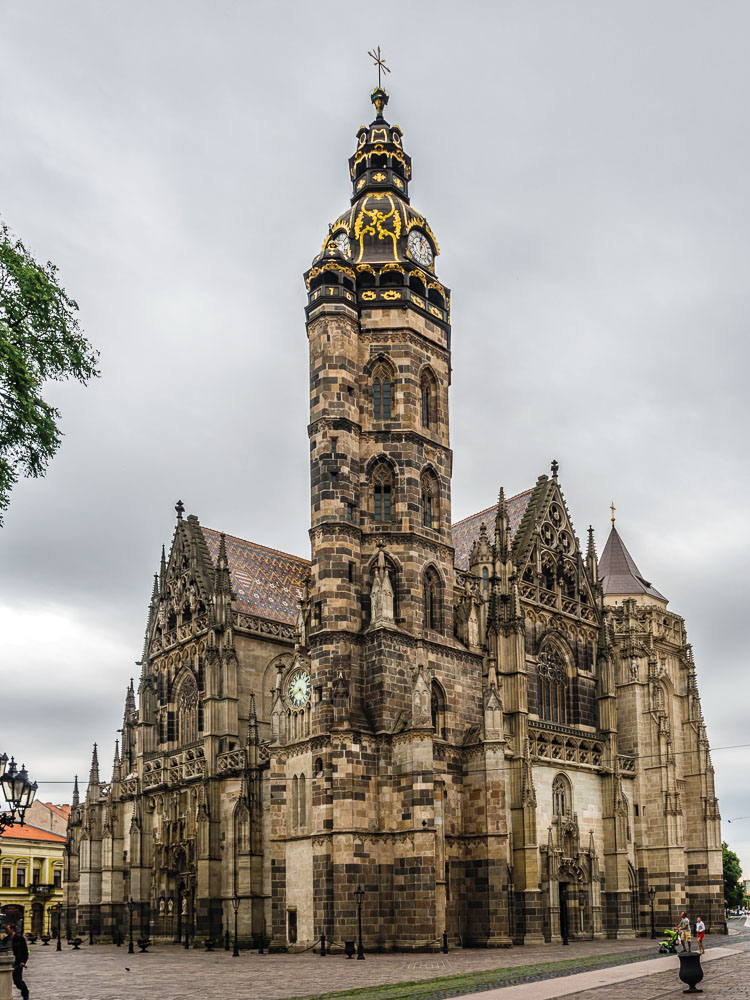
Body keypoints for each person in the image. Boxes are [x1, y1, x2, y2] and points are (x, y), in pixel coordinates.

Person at [3, 922, 30, 1000]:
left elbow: (25, 951)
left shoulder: (19, 938)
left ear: (12, 929)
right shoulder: (5, 940)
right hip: (7, 963)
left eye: (7, 929)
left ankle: (25, 993)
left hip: (17, 963)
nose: (6, 931)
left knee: (18, 981)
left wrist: (23, 962)